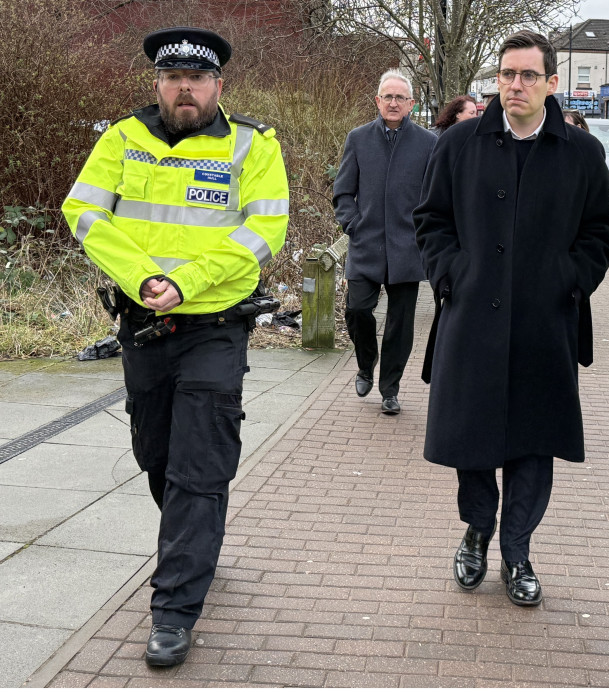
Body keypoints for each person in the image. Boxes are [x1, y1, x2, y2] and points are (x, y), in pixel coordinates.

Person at [62, 27, 289, 667]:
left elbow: (265, 228)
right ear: (158, 83)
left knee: (199, 463)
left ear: (219, 85)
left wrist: (185, 283)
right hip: (142, 325)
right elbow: (83, 212)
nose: (184, 89)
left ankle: (175, 609)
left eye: (197, 79)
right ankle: (198, 538)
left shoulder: (253, 145)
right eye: (172, 78)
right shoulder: (122, 139)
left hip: (214, 327)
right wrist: (143, 279)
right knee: (155, 451)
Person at [414, 30, 609, 607]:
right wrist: (454, 273)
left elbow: (602, 231)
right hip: (473, 321)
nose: (516, 85)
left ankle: (519, 551)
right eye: (507, 74)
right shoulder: (457, 145)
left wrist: (570, 279)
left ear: (552, 83)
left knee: (533, 444)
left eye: (529, 75)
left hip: (544, 325)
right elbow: (431, 220)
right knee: (472, 440)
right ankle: (478, 530)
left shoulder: (581, 153)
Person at [333, 70, 437, 414]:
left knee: (400, 325)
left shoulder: (428, 143)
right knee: (357, 310)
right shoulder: (358, 139)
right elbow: (344, 191)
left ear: (411, 104)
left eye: (400, 98)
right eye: (387, 97)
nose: (393, 103)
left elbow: (435, 197)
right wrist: (353, 224)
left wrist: (424, 232)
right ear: (377, 101)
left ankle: (389, 389)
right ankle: (366, 363)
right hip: (367, 244)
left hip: (408, 249)